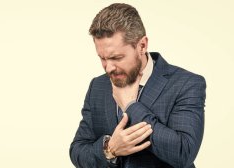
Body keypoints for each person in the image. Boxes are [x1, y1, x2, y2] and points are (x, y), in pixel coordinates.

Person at [69, 3, 206, 168]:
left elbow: (184, 152)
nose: (108, 67)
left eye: (117, 57)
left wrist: (131, 106)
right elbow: (78, 150)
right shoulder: (98, 86)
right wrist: (110, 149)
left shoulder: (186, 84)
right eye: (102, 58)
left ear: (142, 45)